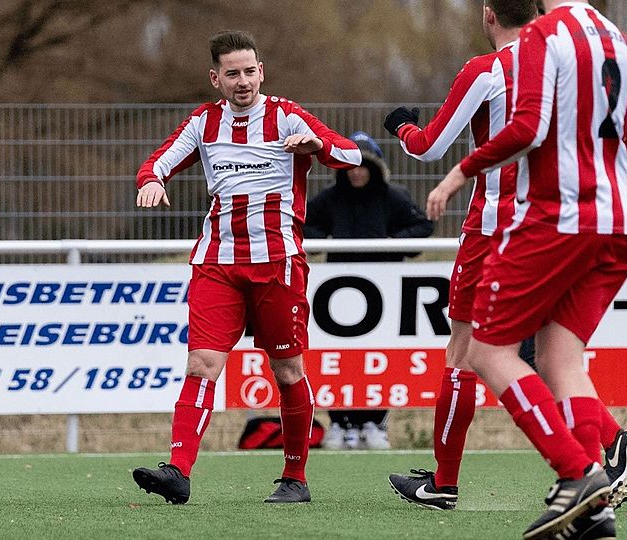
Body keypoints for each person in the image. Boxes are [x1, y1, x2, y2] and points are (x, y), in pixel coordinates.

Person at [425, 1, 627, 538]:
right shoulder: (621, 39)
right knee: (560, 360)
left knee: (485, 351)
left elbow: (526, 127)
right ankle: (598, 513)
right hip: (615, 223)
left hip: (555, 221)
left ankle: (578, 474)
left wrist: (460, 172)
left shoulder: (544, 34)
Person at [131, 30, 360, 505]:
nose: (242, 81)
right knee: (202, 364)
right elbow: (157, 162)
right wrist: (151, 180)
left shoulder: (285, 115)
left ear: (262, 72)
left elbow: (352, 154)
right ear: (215, 78)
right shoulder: (203, 123)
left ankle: (295, 477)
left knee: (287, 369)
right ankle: (178, 470)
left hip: (279, 263)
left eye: (249, 71)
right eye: (232, 73)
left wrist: (315, 145)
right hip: (217, 262)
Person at [383, 0, 538, 511]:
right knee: (558, 354)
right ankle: (603, 451)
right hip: (555, 227)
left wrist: (402, 125)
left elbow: (430, 147)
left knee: (463, 353)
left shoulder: (487, 68)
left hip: (494, 228)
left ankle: (444, 483)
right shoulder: (563, 64)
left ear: (489, 15)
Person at [304, 130, 433, 451]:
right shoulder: (330, 199)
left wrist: (393, 244)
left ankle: (376, 422)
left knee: (380, 353)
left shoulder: (394, 196)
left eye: (363, 165)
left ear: (375, 167)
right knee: (339, 354)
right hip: (338, 290)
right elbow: (302, 222)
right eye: (350, 166)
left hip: (385, 287)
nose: (357, 172)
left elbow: (423, 225)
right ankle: (340, 423)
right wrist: (325, 242)